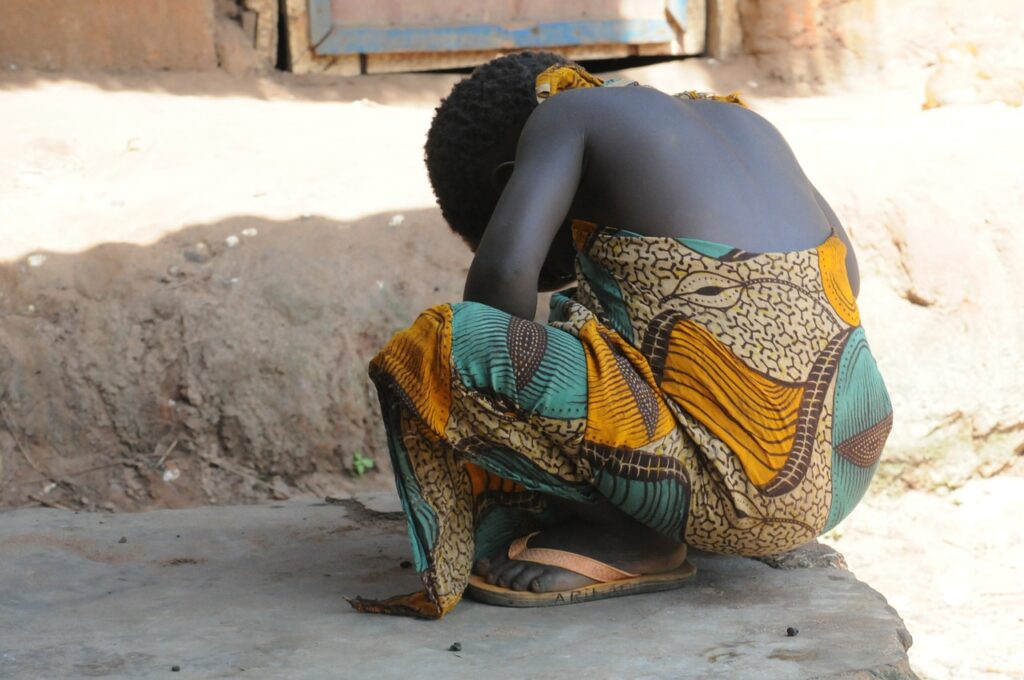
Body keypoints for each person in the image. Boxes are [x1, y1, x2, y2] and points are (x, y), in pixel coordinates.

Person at [350, 51, 893, 619]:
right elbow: (847, 276)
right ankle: (680, 506)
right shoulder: (748, 123)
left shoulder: (566, 117)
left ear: (513, 186)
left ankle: (638, 539)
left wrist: (497, 395)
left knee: (444, 346)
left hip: (738, 497)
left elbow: (504, 278)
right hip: (844, 466)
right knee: (594, 325)